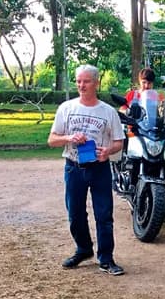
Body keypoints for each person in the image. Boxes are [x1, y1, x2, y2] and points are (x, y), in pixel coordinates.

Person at [48, 64, 126, 275]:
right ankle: (83, 249)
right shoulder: (66, 108)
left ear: (96, 83)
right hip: (74, 168)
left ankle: (106, 259)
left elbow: (119, 142)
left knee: (104, 215)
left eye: (86, 81)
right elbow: (52, 140)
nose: (81, 85)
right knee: (75, 214)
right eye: (78, 81)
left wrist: (107, 151)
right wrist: (69, 137)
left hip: (99, 169)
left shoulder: (108, 112)